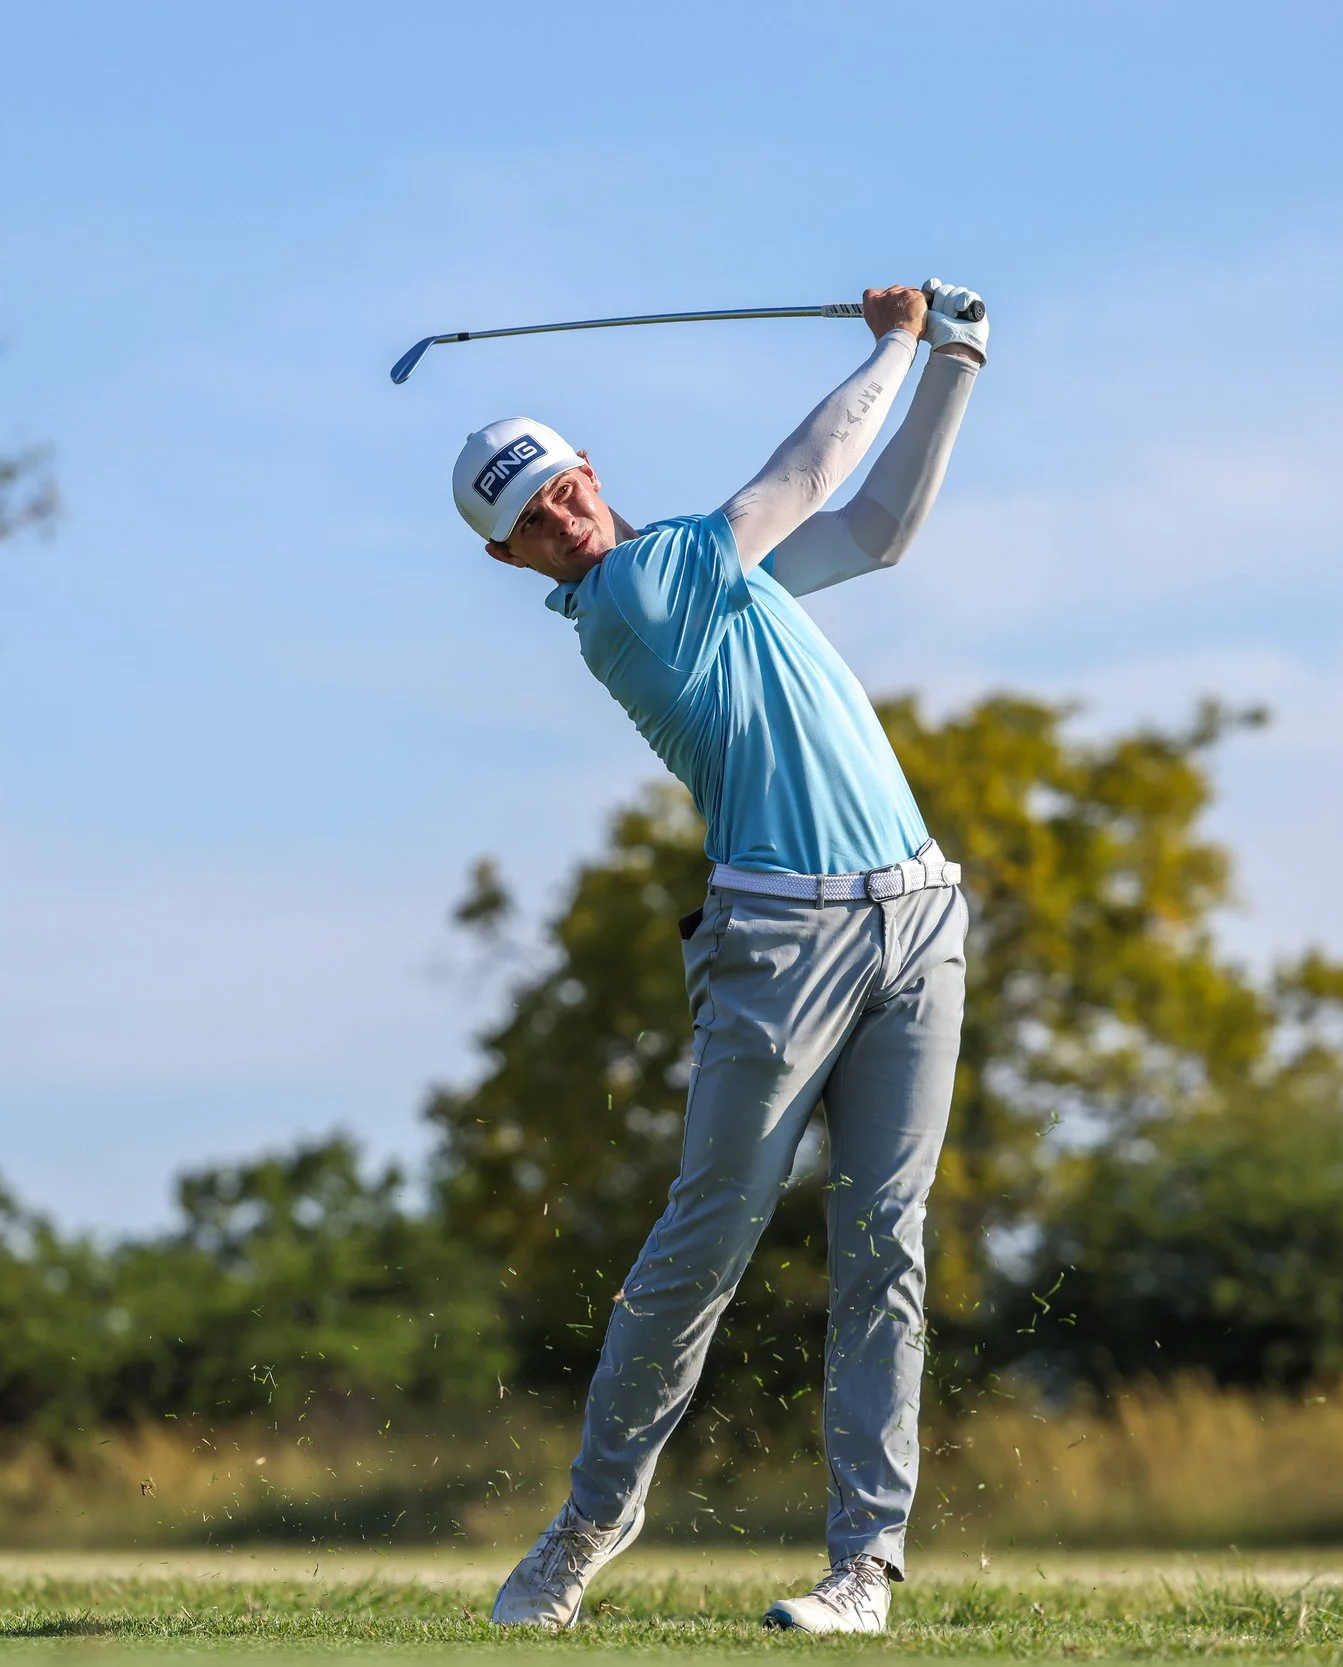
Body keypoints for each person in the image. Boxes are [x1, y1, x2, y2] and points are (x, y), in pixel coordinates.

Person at [454, 282, 988, 1634]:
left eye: (561, 484)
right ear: (516, 559)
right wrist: (896, 342)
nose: (558, 512)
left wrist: (955, 370)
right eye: (530, 517)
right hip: (779, 940)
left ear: (589, 471)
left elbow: (873, 528)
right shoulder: (641, 588)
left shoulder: (718, 573)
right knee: (706, 1241)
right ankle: (586, 1523)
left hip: (920, 917)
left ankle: (866, 1564)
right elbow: (807, 473)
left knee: (886, 1241)